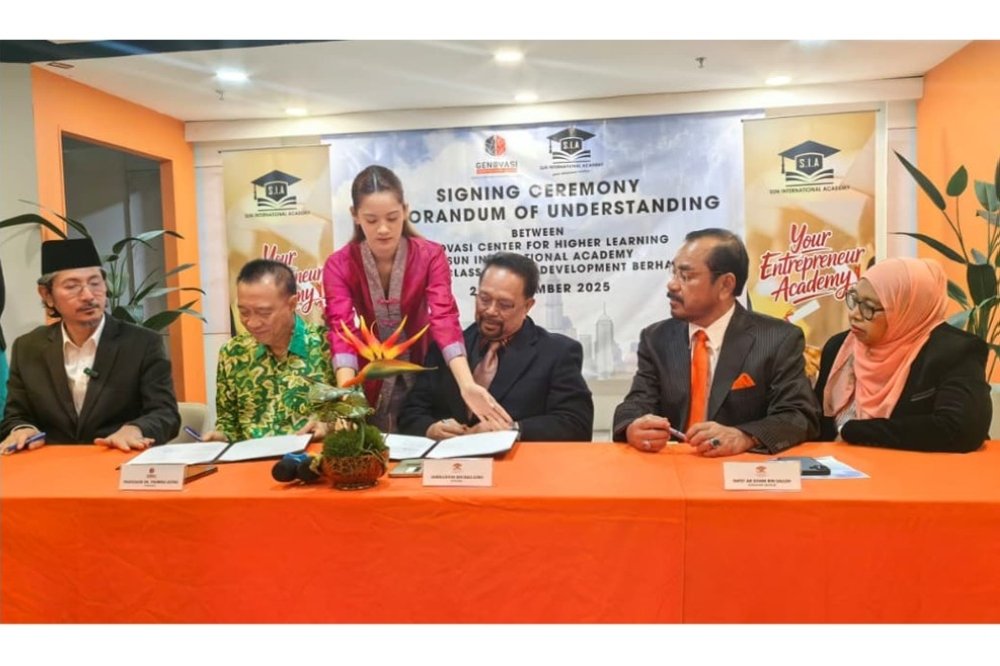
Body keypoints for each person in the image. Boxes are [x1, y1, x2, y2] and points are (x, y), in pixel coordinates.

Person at [322, 164, 509, 432]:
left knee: (433, 436)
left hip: (425, 371)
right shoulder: (339, 265)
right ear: (355, 215)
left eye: (392, 217)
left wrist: (467, 384)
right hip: (368, 376)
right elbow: (341, 330)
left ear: (406, 210)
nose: (383, 229)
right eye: (371, 220)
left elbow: (444, 317)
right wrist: (345, 396)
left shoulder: (430, 255)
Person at [613, 228, 819, 456]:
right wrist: (633, 426)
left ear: (725, 285)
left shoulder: (777, 338)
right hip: (674, 465)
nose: (672, 285)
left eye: (686, 276)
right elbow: (637, 403)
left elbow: (798, 415)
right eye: (673, 273)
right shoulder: (657, 338)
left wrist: (744, 436)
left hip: (741, 468)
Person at [0, 238, 180, 453]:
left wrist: (136, 429)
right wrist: (22, 429)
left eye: (95, 283)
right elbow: (16, 415)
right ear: (47, 295)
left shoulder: (142, 343)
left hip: (117, 458)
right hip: (52, 465)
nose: (87, 296)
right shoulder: (28, 347)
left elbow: (165, 413)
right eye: (72, 286)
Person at [399, 252, 593, 441]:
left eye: (504, 304)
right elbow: (411, 413)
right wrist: (430, 428)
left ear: (528, 306)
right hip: (451, 461)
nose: (491, 311)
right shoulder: (447, 349)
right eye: (484, 299)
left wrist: (512, 430)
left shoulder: (557, 352)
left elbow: (576, 424)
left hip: (519, 460)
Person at [814, 257, 990, 452]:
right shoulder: (839, 348)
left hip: (916, 469)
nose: (854, 314)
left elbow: (959, 429)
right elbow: (815, 424)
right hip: (835, 468)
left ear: (905, 309)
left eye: (869, 307)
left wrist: (854, 432)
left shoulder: (955, 351)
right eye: (854, 300)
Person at [204, 259, 338, 443]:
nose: (252, 323)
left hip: (312, 456)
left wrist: (328, 426)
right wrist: (219, 438)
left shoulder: (329, 346)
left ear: (292, 304)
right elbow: (228, 424)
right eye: (244, 312)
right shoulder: (233, 353)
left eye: (264, 313)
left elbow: (356, 414)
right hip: (252, 459)